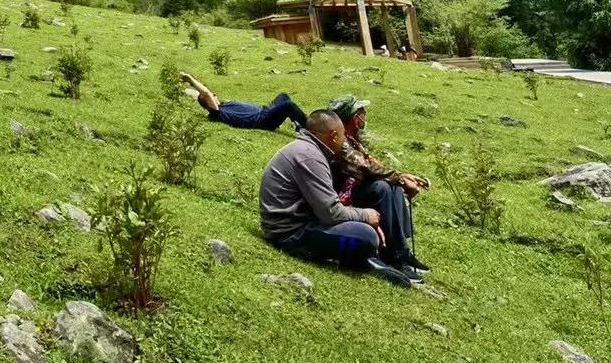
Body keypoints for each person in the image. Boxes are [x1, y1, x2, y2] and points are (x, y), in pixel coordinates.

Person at [259, 109, 421, 287]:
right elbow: (330, 214)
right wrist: (366, 216)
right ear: (334, 135)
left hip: (300, 222)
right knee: (365, 236)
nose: (345, 141)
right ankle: (366, 260)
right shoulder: (309, 157)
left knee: (363, 223)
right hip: (290, 233)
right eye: (343, 136)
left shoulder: (308, 150)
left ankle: (378, 257)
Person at [328, 95, 430, 276]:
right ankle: (392, 253)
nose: (365, 117)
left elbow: (373, 164)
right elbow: (364, 167)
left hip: (356, 188)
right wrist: (399, 178)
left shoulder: (353, 140)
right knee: (382, 188)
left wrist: (400, 178)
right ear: (354, 118)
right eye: (362, 113)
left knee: (392, 186)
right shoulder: (341, 142)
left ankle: (402, 250)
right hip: (343, 195)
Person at [178, 72, 307, 131]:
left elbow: (207, 93)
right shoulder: (216, 114)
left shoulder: (224, 105)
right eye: (212, 96)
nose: (214, 95)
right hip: (263, 120)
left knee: (283, 96)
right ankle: (311, 128)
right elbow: (205, 93)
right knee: (288, 106)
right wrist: (190, 80)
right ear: (208, 104)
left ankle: (298, 126)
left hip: (266, 110)